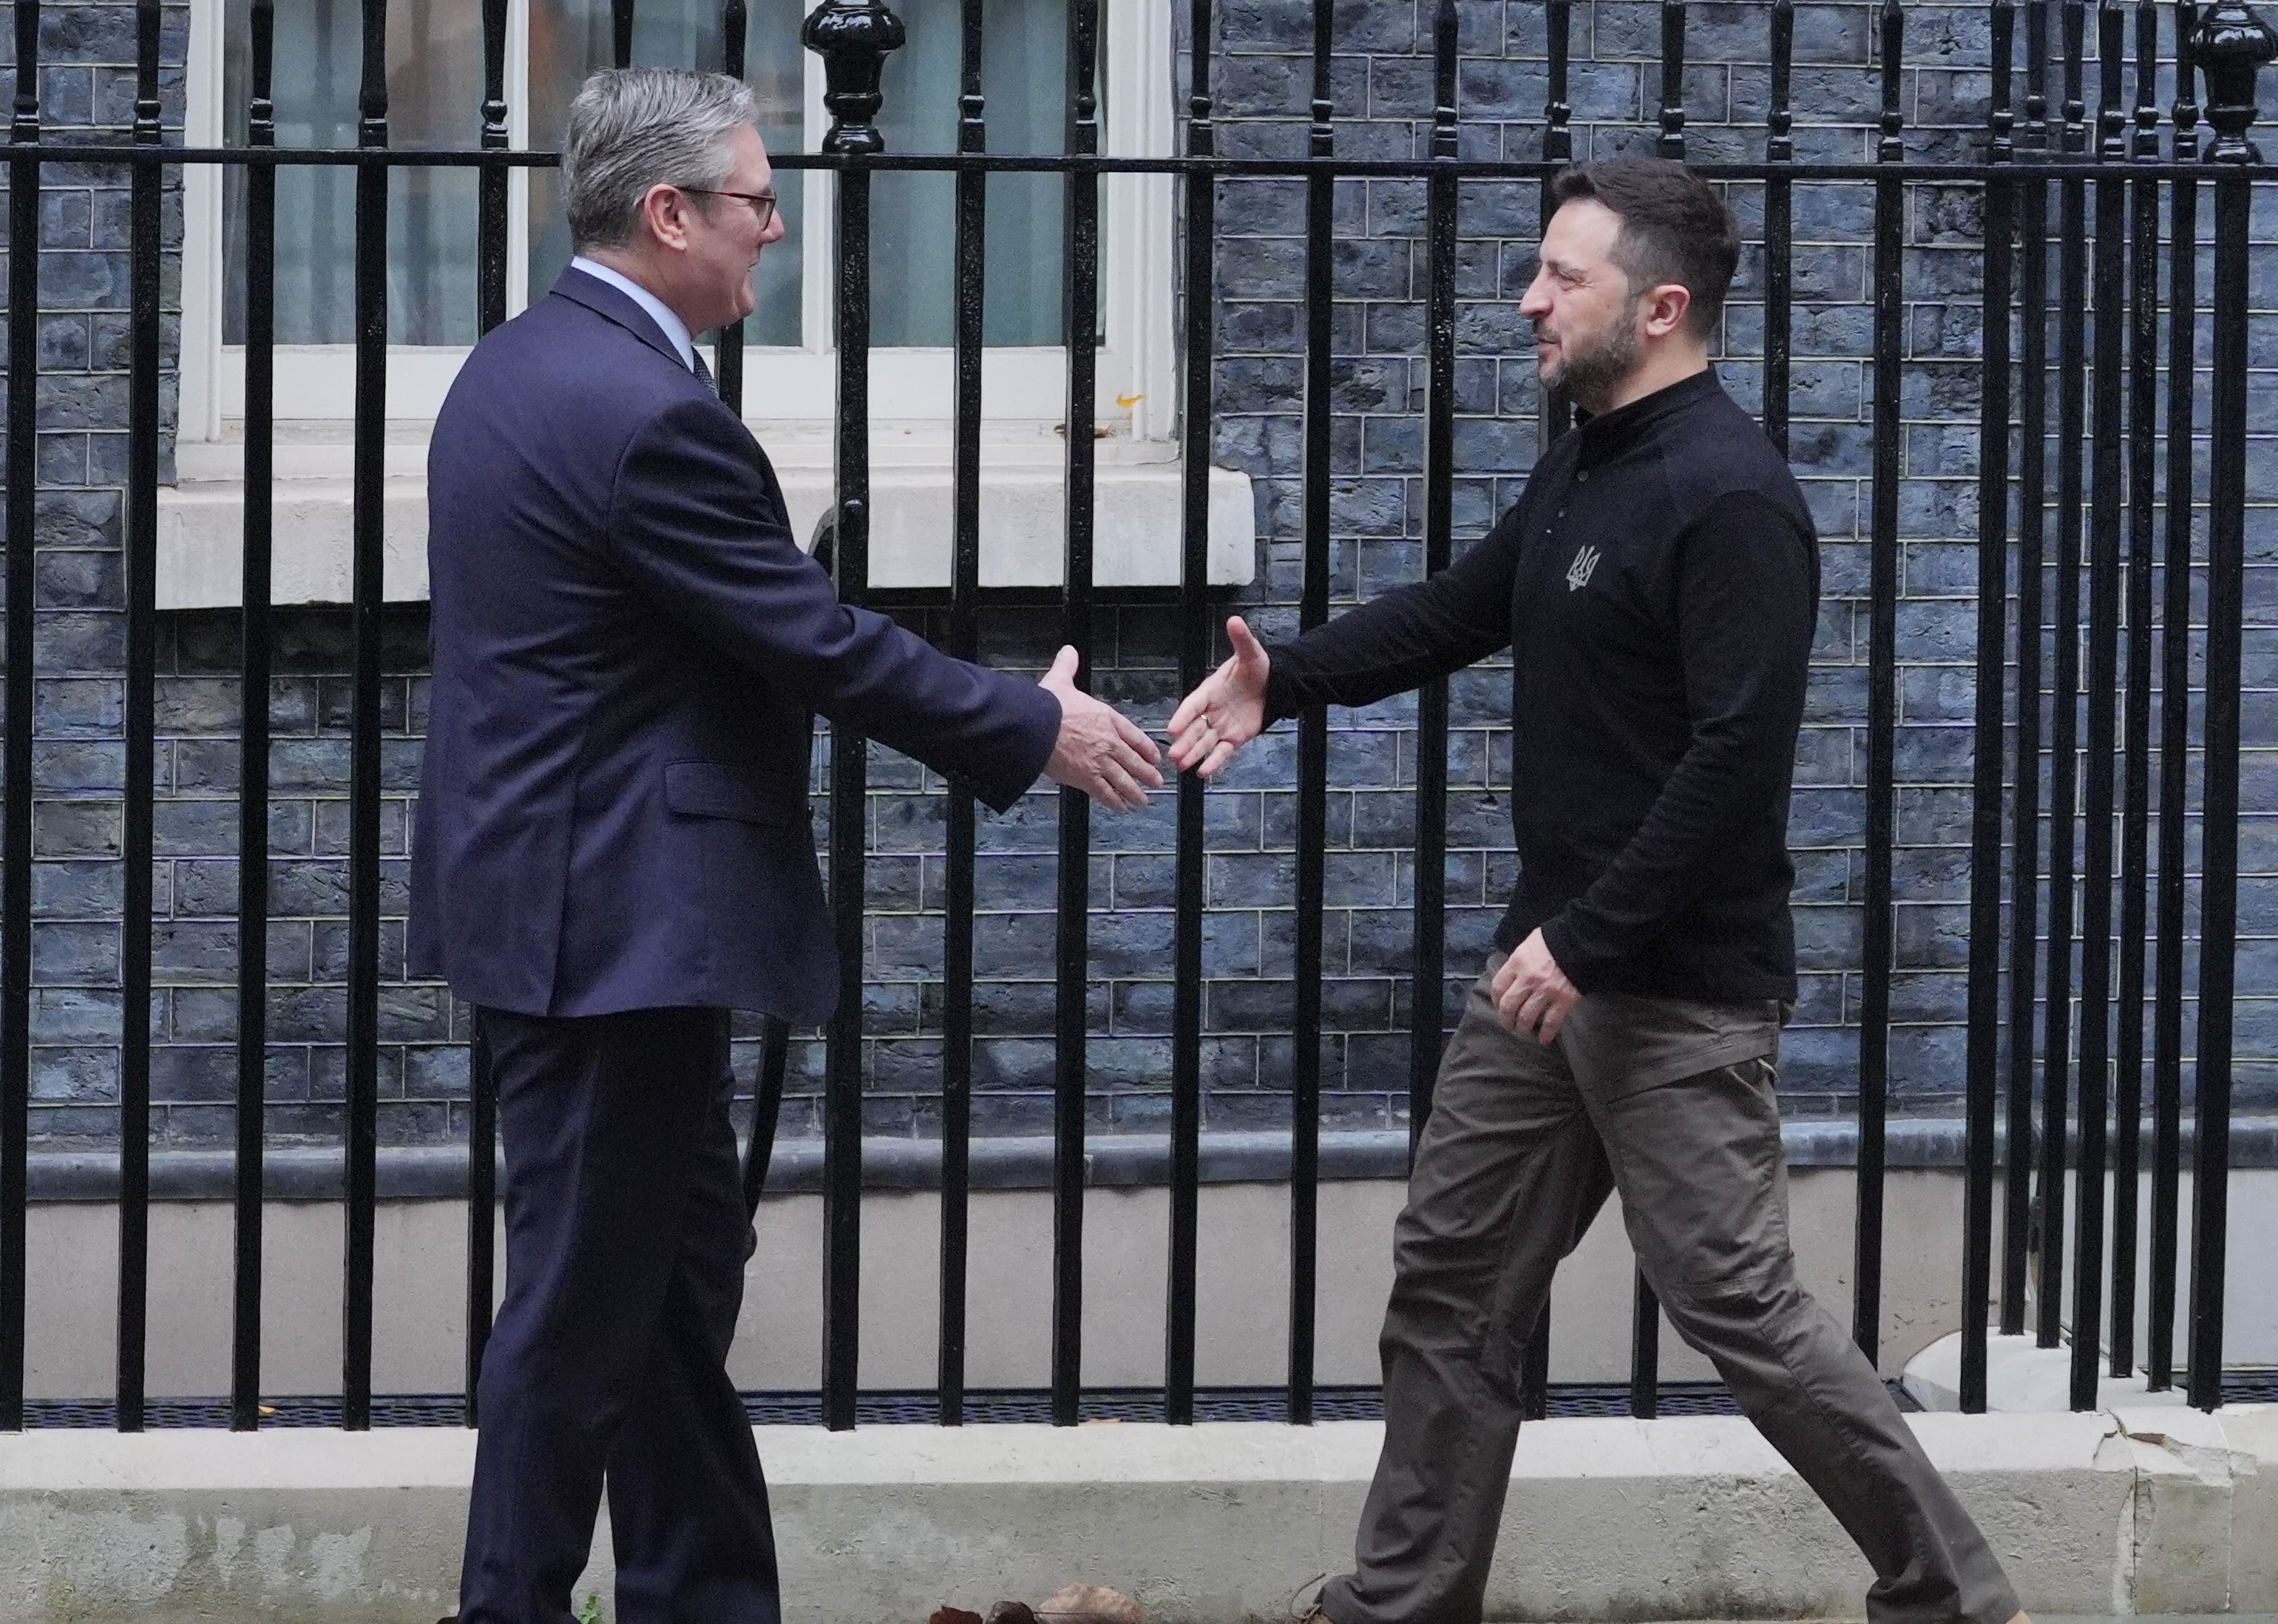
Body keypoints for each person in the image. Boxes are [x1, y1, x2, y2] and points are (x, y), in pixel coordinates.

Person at [1167, 157, 2029, 1624]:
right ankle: (1401, 1603)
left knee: (1733, 1305)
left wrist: (1589, 935)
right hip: (1545, 981)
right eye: (1539, 271)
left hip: (1672, 990)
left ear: (1664, 304)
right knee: (1451, 1276)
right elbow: (1462, 607)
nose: (1531, 300)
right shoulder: (1586, 459)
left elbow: (1736, 758)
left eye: (1564, 276)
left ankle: (1956, 1594)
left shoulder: (1731, 496)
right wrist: (1282, 680)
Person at [408, 67, 1163, 1624]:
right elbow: (808, 638)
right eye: (756, 201)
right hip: (613, 926)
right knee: (575, 1309)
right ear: (668, 212)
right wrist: (1034, 726)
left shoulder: (515, 367)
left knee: (666, 1294)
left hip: (568, 908)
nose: (776, 231)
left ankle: (700, 1598)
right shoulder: (644, 415)